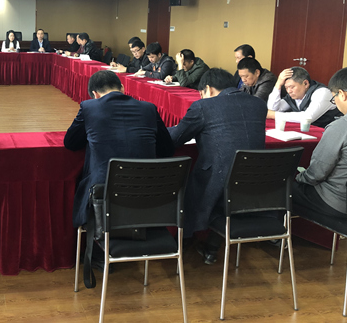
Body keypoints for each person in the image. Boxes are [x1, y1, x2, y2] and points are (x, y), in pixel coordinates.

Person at [168, 68, 267, 263]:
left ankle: (184, 240)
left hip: (218, 181)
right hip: (256, 181)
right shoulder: (258, 104)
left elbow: (175, 139)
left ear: (208, 89)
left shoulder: (203, 106)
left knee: (186, 180)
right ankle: (212, 247)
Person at [63, 70, 174, 229]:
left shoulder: (89, 107)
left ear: (95, 94)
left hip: (104, 192)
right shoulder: (149, 108)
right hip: (148, 192)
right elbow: (167, 149)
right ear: (122, 87)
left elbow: (70, 143)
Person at [292, 67, 347, 223]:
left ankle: (276, 233)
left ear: (342, 94)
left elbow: (316, 174)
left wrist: (298, 178)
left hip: (338, 204)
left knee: (282, 187)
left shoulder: (341, 127)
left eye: (334, 98)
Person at [267, 66, 341, 128]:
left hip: (329, 133)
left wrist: (273, 115)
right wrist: (278, 84)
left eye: (292, 87)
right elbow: (272, 109)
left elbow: (308, 117)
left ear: (305, 83)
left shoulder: (322, 92)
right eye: (286, 88)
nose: (289, 91)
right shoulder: (294, 96)